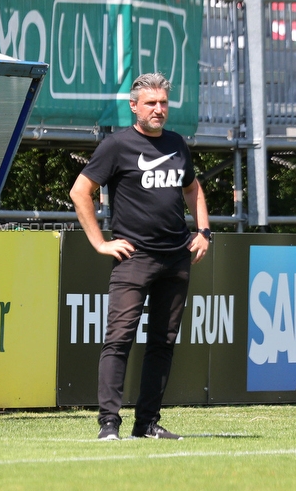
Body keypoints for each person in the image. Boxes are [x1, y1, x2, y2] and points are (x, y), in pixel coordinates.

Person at [69, 73, 211, 441]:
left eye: (163, 102)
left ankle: (146, 424)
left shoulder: (177, 144)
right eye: (151, 103)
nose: (158, 109)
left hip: (176, 258)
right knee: (119, 339)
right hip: (134, 258)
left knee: (162, 344)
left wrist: (204, 233)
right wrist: (101, 243)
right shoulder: (117, 145)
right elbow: (80, 191)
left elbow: (193, 189)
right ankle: (108, 425)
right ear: (134, 106)